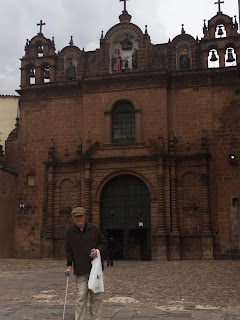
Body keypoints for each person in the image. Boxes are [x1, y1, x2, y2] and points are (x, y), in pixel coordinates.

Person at [65, 207, 107, 320]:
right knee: (81, 298)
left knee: (96, 298)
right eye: (76, 217)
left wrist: (97, 251)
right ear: (73, 218)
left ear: (84, 216)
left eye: (81, 216)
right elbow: (69, 250)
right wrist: (69, 266)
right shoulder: (69, 232)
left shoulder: (94, 229)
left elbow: (103, 244)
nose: (79, 219)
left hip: (95, 270)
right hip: (81, 269)